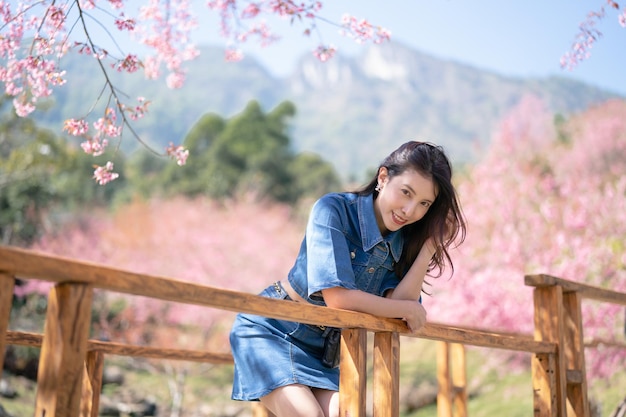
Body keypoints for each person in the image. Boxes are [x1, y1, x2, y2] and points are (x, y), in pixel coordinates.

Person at [229, 141, 466, 417]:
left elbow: (399, 311)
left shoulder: (407, 241)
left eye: (424, 203)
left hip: (327, 351)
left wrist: (429, 247)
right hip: (274, 329)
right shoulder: (333, 210)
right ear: (383, 177)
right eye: (406, 192)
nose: (410, 210)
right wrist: (409, 309)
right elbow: (338, 298)